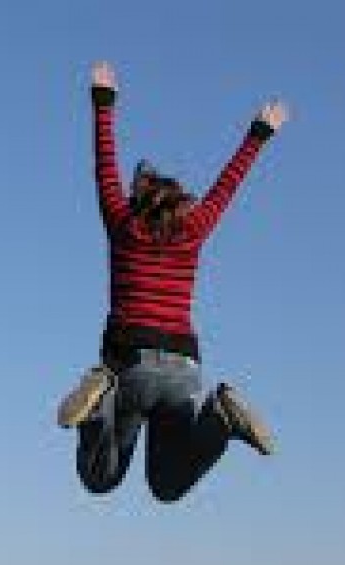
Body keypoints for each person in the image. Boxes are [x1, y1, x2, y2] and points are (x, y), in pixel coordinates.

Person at [57, 61, 287, 502]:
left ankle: (98, 402)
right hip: (183, 369)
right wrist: (259, 133)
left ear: (136, 199)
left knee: (101, 478)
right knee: (166, 485)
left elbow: (104, 167)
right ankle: (219, 418)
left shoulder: (123, 224)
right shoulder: (194, 230)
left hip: (129, 362)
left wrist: (102, 104)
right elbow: (226, 186)